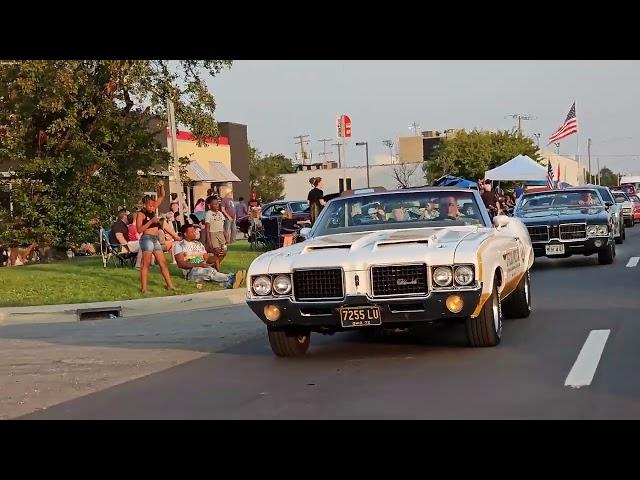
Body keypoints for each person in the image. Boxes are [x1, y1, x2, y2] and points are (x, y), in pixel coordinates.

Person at [173, 224, 244, 288]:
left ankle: (229, 284)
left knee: (211, 271)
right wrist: (198, 264)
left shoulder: (198, 244)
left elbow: (207, 259)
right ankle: (231, 277)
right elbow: (181, 263)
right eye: (192, 232)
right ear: (185, 234)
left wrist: (217, 256)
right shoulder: (179, 245)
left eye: (194, 231)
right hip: (190, 272)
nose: (195, 233)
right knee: (208, 272)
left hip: (203, 267)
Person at [135, 182, 174, 294]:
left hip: (155, 239)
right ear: (145, 206)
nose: (152, 208)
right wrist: (151, 222)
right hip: (146, 239)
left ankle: (170, 285)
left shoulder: (153, 208)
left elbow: (162, 196)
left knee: (162, 263)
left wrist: (161, 186)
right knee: (146, 264)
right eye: (150, 206)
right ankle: (144, 288)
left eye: (153, 206)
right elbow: (139, 229)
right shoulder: (141, 214)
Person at [204, 197, 227, 271]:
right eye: (214, 204)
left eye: (217, 204)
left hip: (221, 234)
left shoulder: (220, 213)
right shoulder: (209, 214)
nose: (217, 205)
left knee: (224, 251)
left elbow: (222, 225)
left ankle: (215, 266)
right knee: (217, 252)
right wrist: (209, 240)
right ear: (210, 205)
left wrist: (225, 234)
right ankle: (218, 269)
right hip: (213, 233)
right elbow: (207, 227)